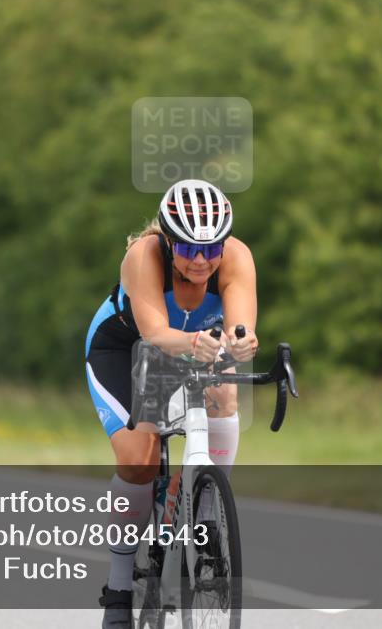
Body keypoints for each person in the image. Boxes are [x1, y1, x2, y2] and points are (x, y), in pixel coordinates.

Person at [85, 180, 258, 628]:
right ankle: (120, 588)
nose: (201, 261)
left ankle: (204, 510)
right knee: (139, 462)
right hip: (125, 347)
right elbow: (157, 335)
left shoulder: (236, 257)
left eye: (211, 248)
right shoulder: (144, 256)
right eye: (188, 248)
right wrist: (198, 342)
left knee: (224, 392)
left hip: (194, 346)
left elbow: (239, 326)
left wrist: (241, 344)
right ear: (166, 238)